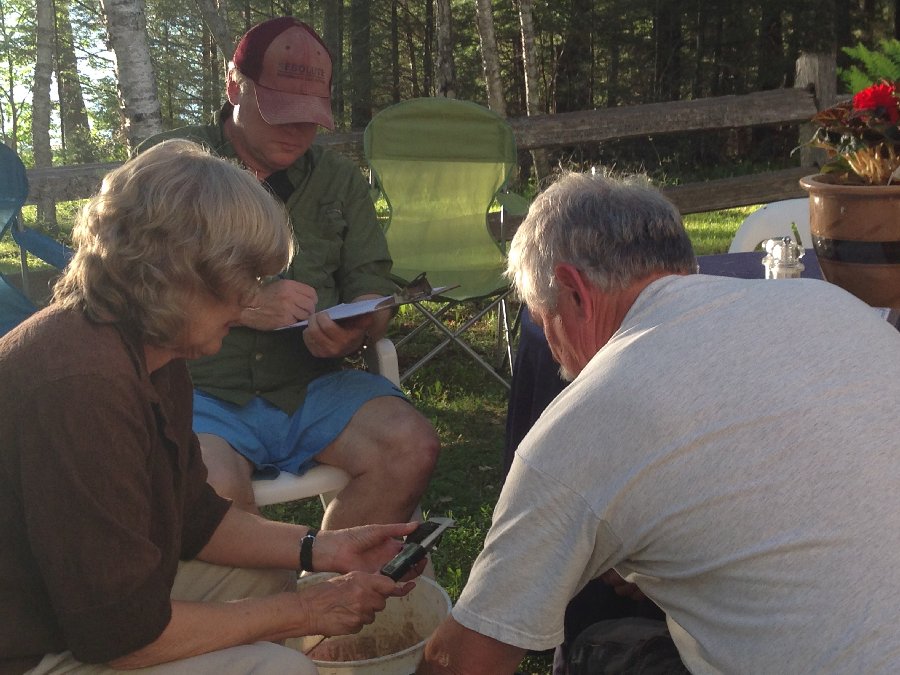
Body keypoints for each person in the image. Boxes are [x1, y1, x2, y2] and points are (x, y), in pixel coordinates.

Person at [418, 171, 900, 674]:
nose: (556, 354)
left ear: (573, 291)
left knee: (601, 646)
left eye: (544, 321)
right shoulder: (830, 304)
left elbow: (464, 661)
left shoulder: (588, 418)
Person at [0, 140, 425, 675]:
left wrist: (326, 549)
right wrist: (305, 610)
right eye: (245, 278)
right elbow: (120, 634)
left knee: (268, 577)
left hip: (73, 609)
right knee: (279, 668)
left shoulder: (156, 351)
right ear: (178, 274)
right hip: (28, 647)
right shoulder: (82, 387)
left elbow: (193, 518)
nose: (253, 299)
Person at [137, 17, 439, 526]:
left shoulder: (337, 180)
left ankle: (332, 590)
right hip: (198, 388)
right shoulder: (170, 166)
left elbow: (372, 283)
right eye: (280, 112)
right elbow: (131, 285)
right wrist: (246, 304)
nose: (299, 132)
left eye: (310, 116)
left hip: (311, 385)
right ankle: (268, 604)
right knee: (215, 497)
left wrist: (356, 331)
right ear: (234, 86)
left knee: (411, 447)